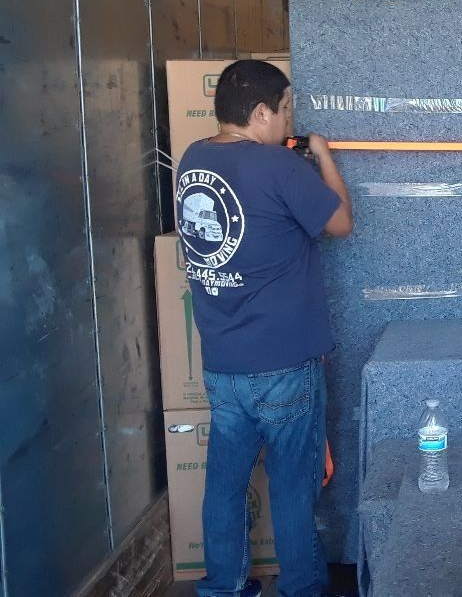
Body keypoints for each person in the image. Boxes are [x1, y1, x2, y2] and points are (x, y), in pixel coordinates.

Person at [174, 59, 353, 597]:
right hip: (283, 363)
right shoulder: (282, 168)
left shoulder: (193, 159)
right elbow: (340, 222)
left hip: (223, 362)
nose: (288, 120)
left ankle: (224, 588)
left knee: (225, 486)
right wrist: (321, 156)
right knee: (293, 491)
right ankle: (301, 589)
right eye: (286, 110)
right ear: (259, 113)